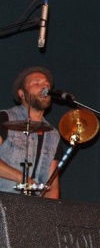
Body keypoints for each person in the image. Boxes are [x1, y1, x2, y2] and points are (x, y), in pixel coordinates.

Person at [0, 67, 62, 199]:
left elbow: (52, 184)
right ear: (21, 93)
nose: (44, 87)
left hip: (32, 207)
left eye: (46, 84)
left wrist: (51, 210)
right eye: (36, 83)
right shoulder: (5, 118)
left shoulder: (53, 134)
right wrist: (21, 178)